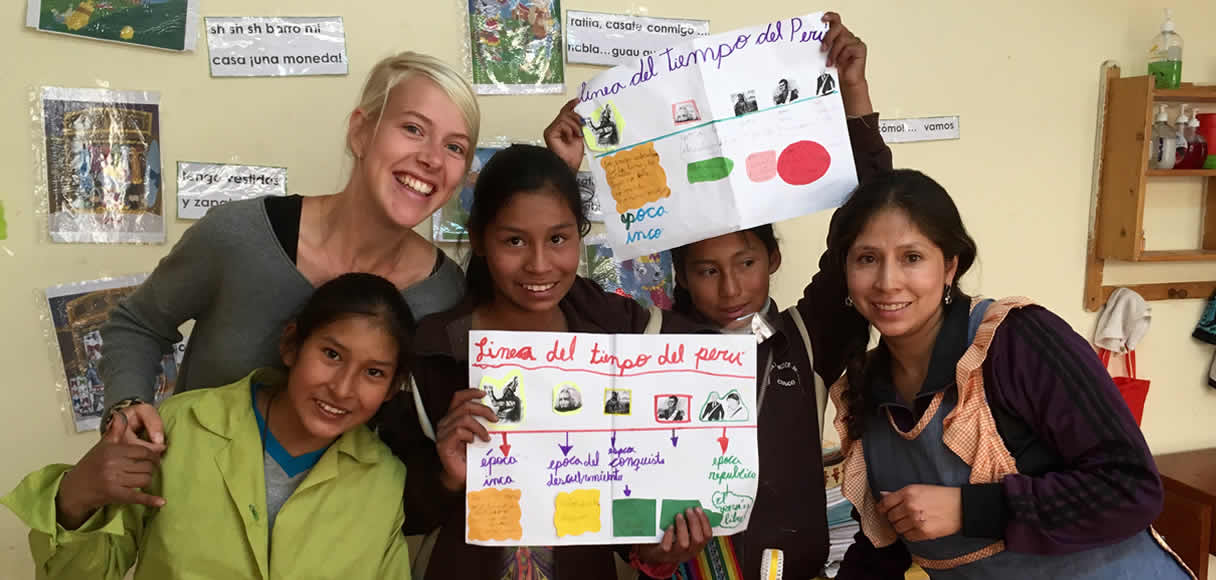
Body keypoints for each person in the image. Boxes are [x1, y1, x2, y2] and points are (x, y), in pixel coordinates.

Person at [97, 52, 481, 455]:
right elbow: (137, 324)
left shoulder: (446, 295)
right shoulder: (238, 236)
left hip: (338, 516)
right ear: (361, 133)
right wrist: (126, 406)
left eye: (455, 147)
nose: (432, 158)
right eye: (413, 128)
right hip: (188, 501)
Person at [825, 170, 1193, 579]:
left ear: (950, 267)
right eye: (867, 259)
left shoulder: (1016, 340)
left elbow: (1131, 488)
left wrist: (969, 509)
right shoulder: (863, 389)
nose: (887, 282)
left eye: (912, 258)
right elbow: (884, 546)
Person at [377, 144, 714, 580]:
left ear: (579, 234)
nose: (539, 265)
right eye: (514, 240)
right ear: (479, 239)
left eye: (558, 239)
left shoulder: (621, 337)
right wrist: (446, 477)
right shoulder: (431, 354)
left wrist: (657, 552)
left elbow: (633, 489)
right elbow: (393, 515)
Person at [663, 12, 890, 580]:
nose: (732, 287)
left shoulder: (805, 338)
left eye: (746, 263)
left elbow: (865, 220)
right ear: (682, 277)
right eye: (707, 271)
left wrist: (854, 92)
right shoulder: (652, 345)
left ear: (774, 261)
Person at [2, 273, 416, 579]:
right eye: (331, 354)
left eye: (374, 373)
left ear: (395, 386)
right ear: (292, 345)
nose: (343, 388)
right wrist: (75, 498)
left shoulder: (382, 480)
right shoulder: (179, 428)